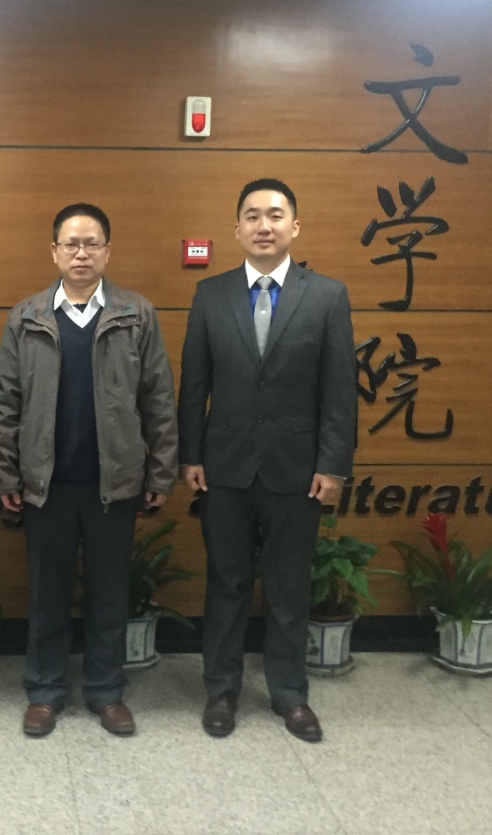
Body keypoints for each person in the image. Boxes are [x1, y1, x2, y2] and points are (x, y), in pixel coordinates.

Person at [178, 178, 355, 744]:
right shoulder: (210, 294)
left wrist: (333, 465)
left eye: (275, 215)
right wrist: (190, 455)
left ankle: (289, 694)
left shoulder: (326, 296)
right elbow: (194, 384)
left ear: (294, 227)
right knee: (226, 583)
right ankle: (221, 690)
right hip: (224, 466)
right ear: (236, 229)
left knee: (287, 587)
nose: (264, 225)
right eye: (252, 215)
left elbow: (339, 391)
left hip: (297, 470)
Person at [0, 203, 178, 738]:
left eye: (91, 243)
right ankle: (45, 691)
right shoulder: (26, 317)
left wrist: (160, 474)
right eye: (70, 244)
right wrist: (7, 475)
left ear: (107, 251)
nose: (81, 253)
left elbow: (159, 400)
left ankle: (105, 691)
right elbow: (5, 403)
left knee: (109, 594)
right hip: (46, 484)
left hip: (113, 484)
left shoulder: (135, 314)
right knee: (46, 594)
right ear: (54, 251)